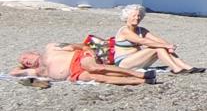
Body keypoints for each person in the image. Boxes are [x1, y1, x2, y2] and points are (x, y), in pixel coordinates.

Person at [114, 4, 205, 74]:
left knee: (161, 46)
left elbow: (157, 39)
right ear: (127, 17)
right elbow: (143, 41)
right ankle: (176, 69)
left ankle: (186, 67)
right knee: (158, 47)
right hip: (124, 63)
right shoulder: (124, 30)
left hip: (137, 61)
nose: (137, 18)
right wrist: (165, 45)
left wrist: (169, 46)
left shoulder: (141, 30)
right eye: (134, 16)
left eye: (139, 15)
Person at [12, 43, 157, 87]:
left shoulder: (50, 48)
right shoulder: (37, 71)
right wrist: (21, 67)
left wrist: (87, 50)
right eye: (23, 62)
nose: (26, 61)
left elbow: (76, 45)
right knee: (100, 78)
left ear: (33, 52)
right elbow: (13, 73)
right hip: (73, 73)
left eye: (25, 57)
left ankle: (141, 74)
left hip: (78, 58)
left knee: (96, 68)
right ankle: (141, 81)